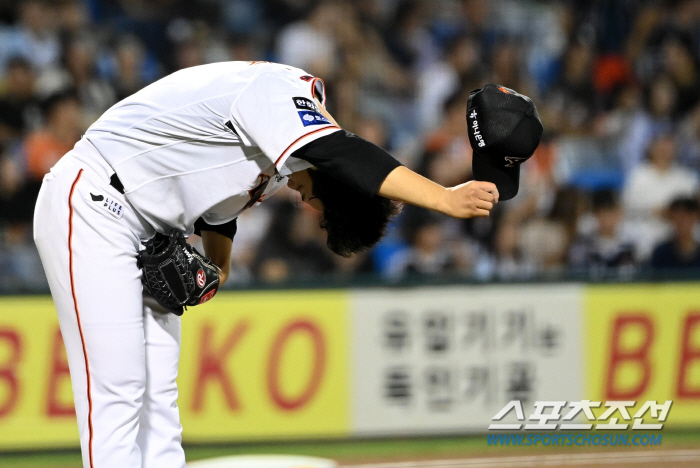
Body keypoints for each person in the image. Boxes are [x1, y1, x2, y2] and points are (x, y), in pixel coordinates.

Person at [32, 61, 501, 468]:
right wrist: (443, 197)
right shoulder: (281, 96)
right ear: (339, 184)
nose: (309, 207)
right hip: (93, 202)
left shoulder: (283, 153)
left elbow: (220, 215)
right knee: (118, 387)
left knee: (158, 398)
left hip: (146, 229)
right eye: (324, 207)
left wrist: (216, 271)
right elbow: (339, 152)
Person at [650, 197, 700, 271]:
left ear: (695, 218)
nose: (683, 222)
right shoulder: (661, 253)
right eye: (678, 217)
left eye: (688, 217)